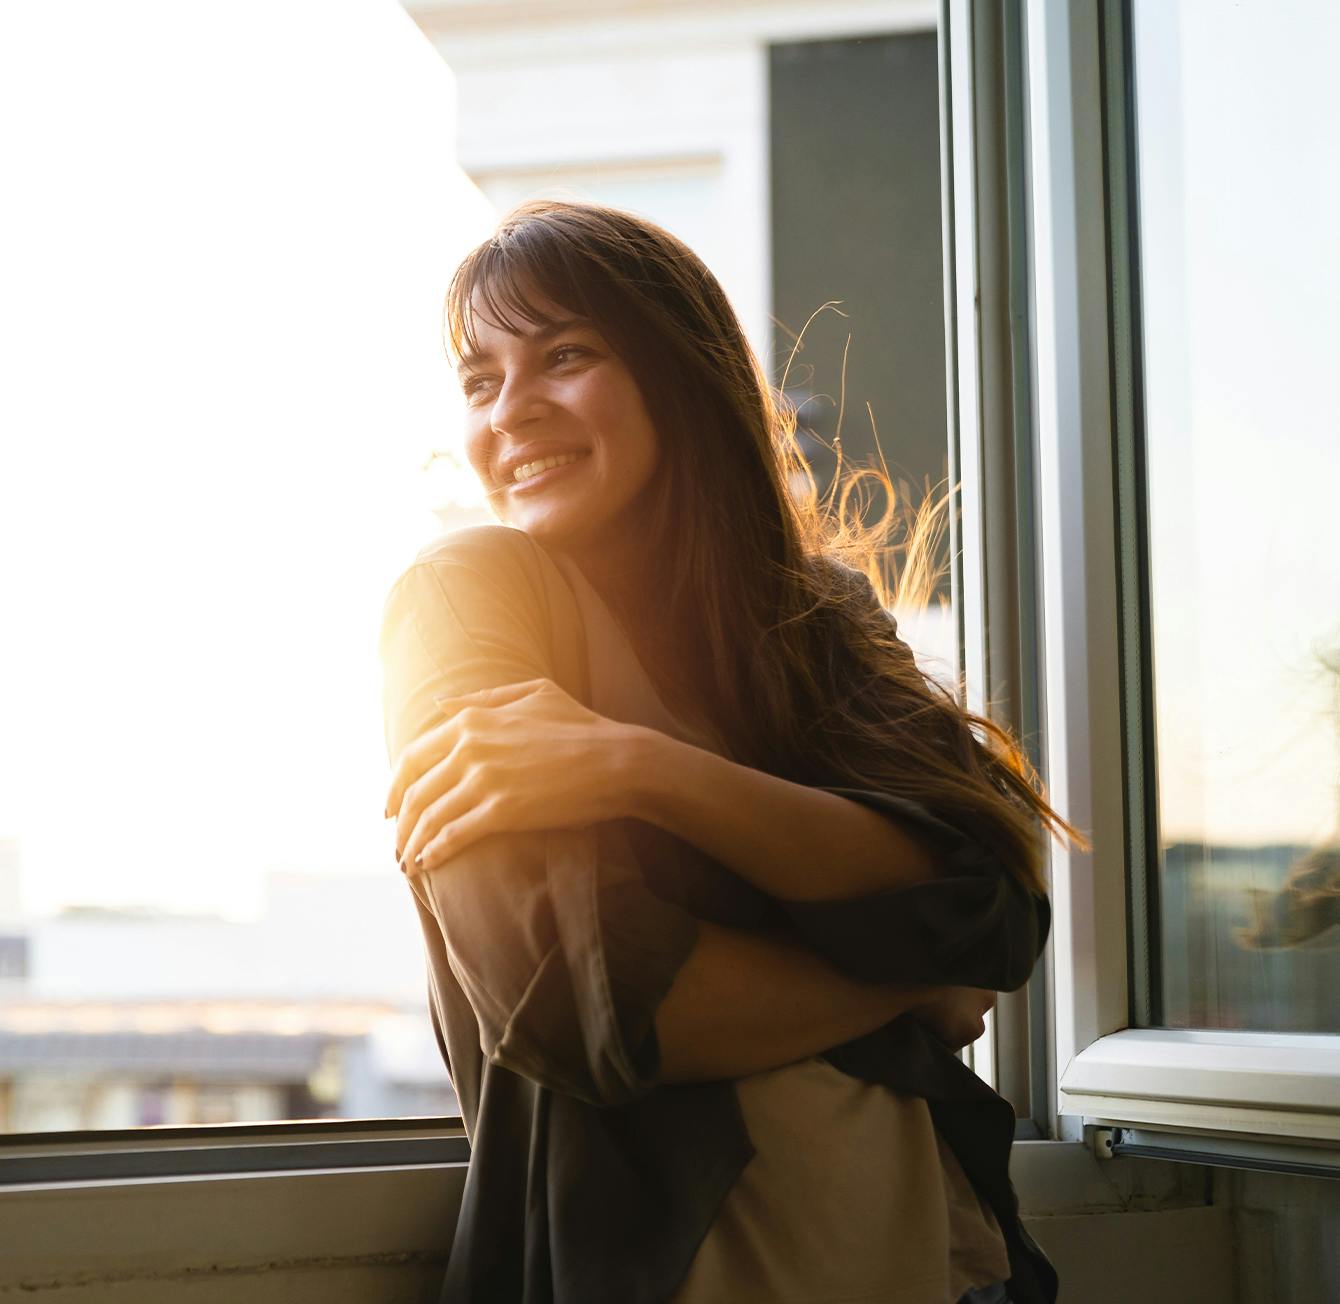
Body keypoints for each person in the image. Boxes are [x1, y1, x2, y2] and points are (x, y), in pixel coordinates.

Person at [379, 199, 1083, 1304]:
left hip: (923, 1265)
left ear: (678, 375)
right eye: (479, 379)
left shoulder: (818, 617)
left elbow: (992, 904)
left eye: (564, 354)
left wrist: (642, 769)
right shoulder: (465, 597)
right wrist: (907, 976)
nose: (510, 410)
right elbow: (594, 1010)